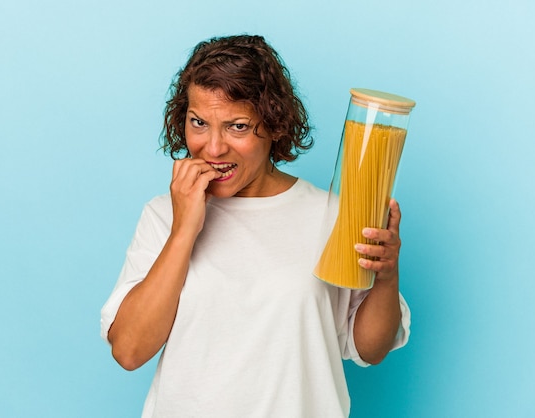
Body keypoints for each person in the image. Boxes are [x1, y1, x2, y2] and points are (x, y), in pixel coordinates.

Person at [101, 34, 410, 418]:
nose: (213, 148)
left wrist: (386, 274)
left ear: (275, 125)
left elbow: (369, 349)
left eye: (238, 126)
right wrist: (184, 230)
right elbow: (129, 351)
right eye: (199, 122)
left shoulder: (331, 215)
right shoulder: (163, 216)